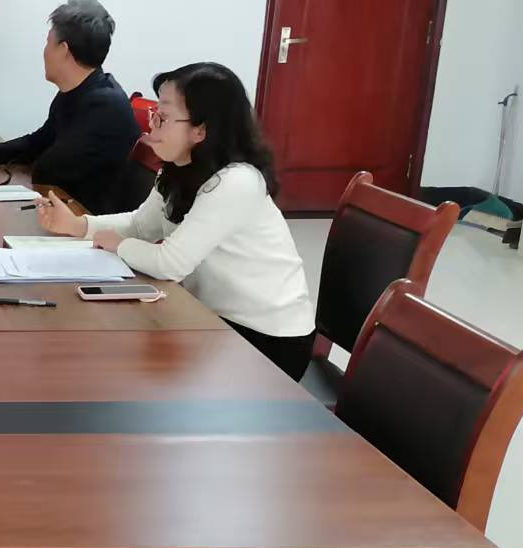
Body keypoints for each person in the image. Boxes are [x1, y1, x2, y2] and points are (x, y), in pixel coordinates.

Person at [38, 62, 315, 379]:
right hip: (211, 319)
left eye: (163, 117)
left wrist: (119, 245)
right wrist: (78, 225)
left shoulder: (237, 181)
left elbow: (171, 263)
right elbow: (141, 226)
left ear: (201, 130)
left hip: (266, 340)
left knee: (133, 369)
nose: (152, 125)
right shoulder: (179, 168)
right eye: (154, 113)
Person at [0, 0, 142, 212]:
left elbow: (49, 169)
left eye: (48, 42)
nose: (44, 51)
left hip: (86, 221)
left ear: (63, 49)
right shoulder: (81, 91)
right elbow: (39, 141)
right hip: (63, 210)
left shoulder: (104, 105)